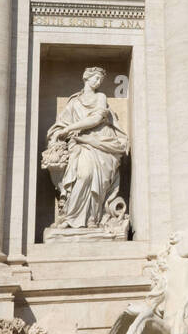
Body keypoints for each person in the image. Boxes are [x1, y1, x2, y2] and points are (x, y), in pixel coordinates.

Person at [43, 67, 129, 228]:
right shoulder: (74, 102)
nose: (98, 82)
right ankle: (71, 218)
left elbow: (97, 118)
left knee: (99, 181)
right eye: (95, 78)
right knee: (84, 175)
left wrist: (69, 129)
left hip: (101, 142)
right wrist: (58, 134)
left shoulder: (101, 97)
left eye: (100, 80)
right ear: (86, 78)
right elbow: (60, 124)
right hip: (80, 145)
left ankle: (93, 218)